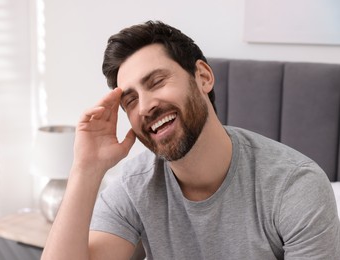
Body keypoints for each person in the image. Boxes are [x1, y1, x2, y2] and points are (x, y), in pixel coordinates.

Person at [41, 21, 340, 260]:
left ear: (203, 77)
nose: (145, 107)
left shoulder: (295, 187)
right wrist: (86, 168)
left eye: (156, 82)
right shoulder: (134, 186)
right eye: (130, 100)